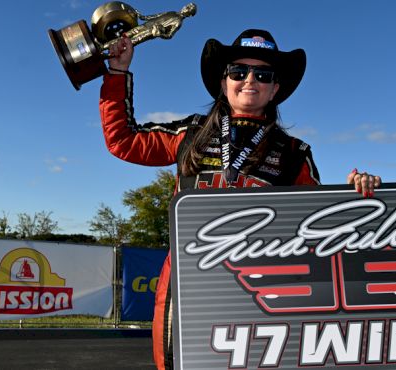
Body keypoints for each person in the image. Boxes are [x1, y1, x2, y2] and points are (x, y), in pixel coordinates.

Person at [99, 29, 381, 370]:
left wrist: (356, 192)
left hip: (258, 292)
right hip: (187, 285)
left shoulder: (294, 154)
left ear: (275, 89)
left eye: (263, 74)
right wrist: (117, 73)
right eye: (239, 71)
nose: (250, 80)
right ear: (223, 81)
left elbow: (319, 231)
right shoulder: (190, 133)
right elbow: (123, 141)